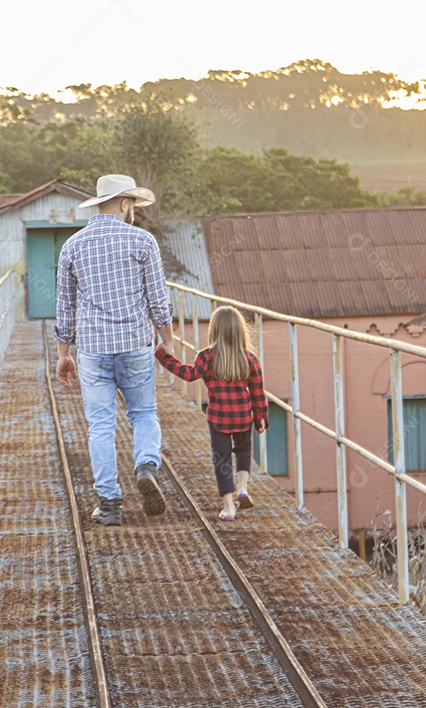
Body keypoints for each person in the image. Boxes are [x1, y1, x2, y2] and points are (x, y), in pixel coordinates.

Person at [54, 174, 176, 527]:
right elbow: (157, 299)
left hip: (92, 350)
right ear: (125, 204)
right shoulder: (143, 242)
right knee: (143, 412)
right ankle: (146, 466)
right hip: (136, 344)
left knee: (101, 426)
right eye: (133, 205)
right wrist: (167, 340)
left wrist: (64, 354)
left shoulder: (73, 246)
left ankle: (109, 504)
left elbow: (65, 307)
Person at [154, 306, 267, 521]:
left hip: (218, 417)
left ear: (214, 330)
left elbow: (188, 375)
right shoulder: (250, 359)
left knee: (221, 460)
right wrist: (261, 416)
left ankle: (229, 507)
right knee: (243, 450)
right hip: (244, 416)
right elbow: (257, 392)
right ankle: (243, 488)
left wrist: (163, 356)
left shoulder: (206, 357)